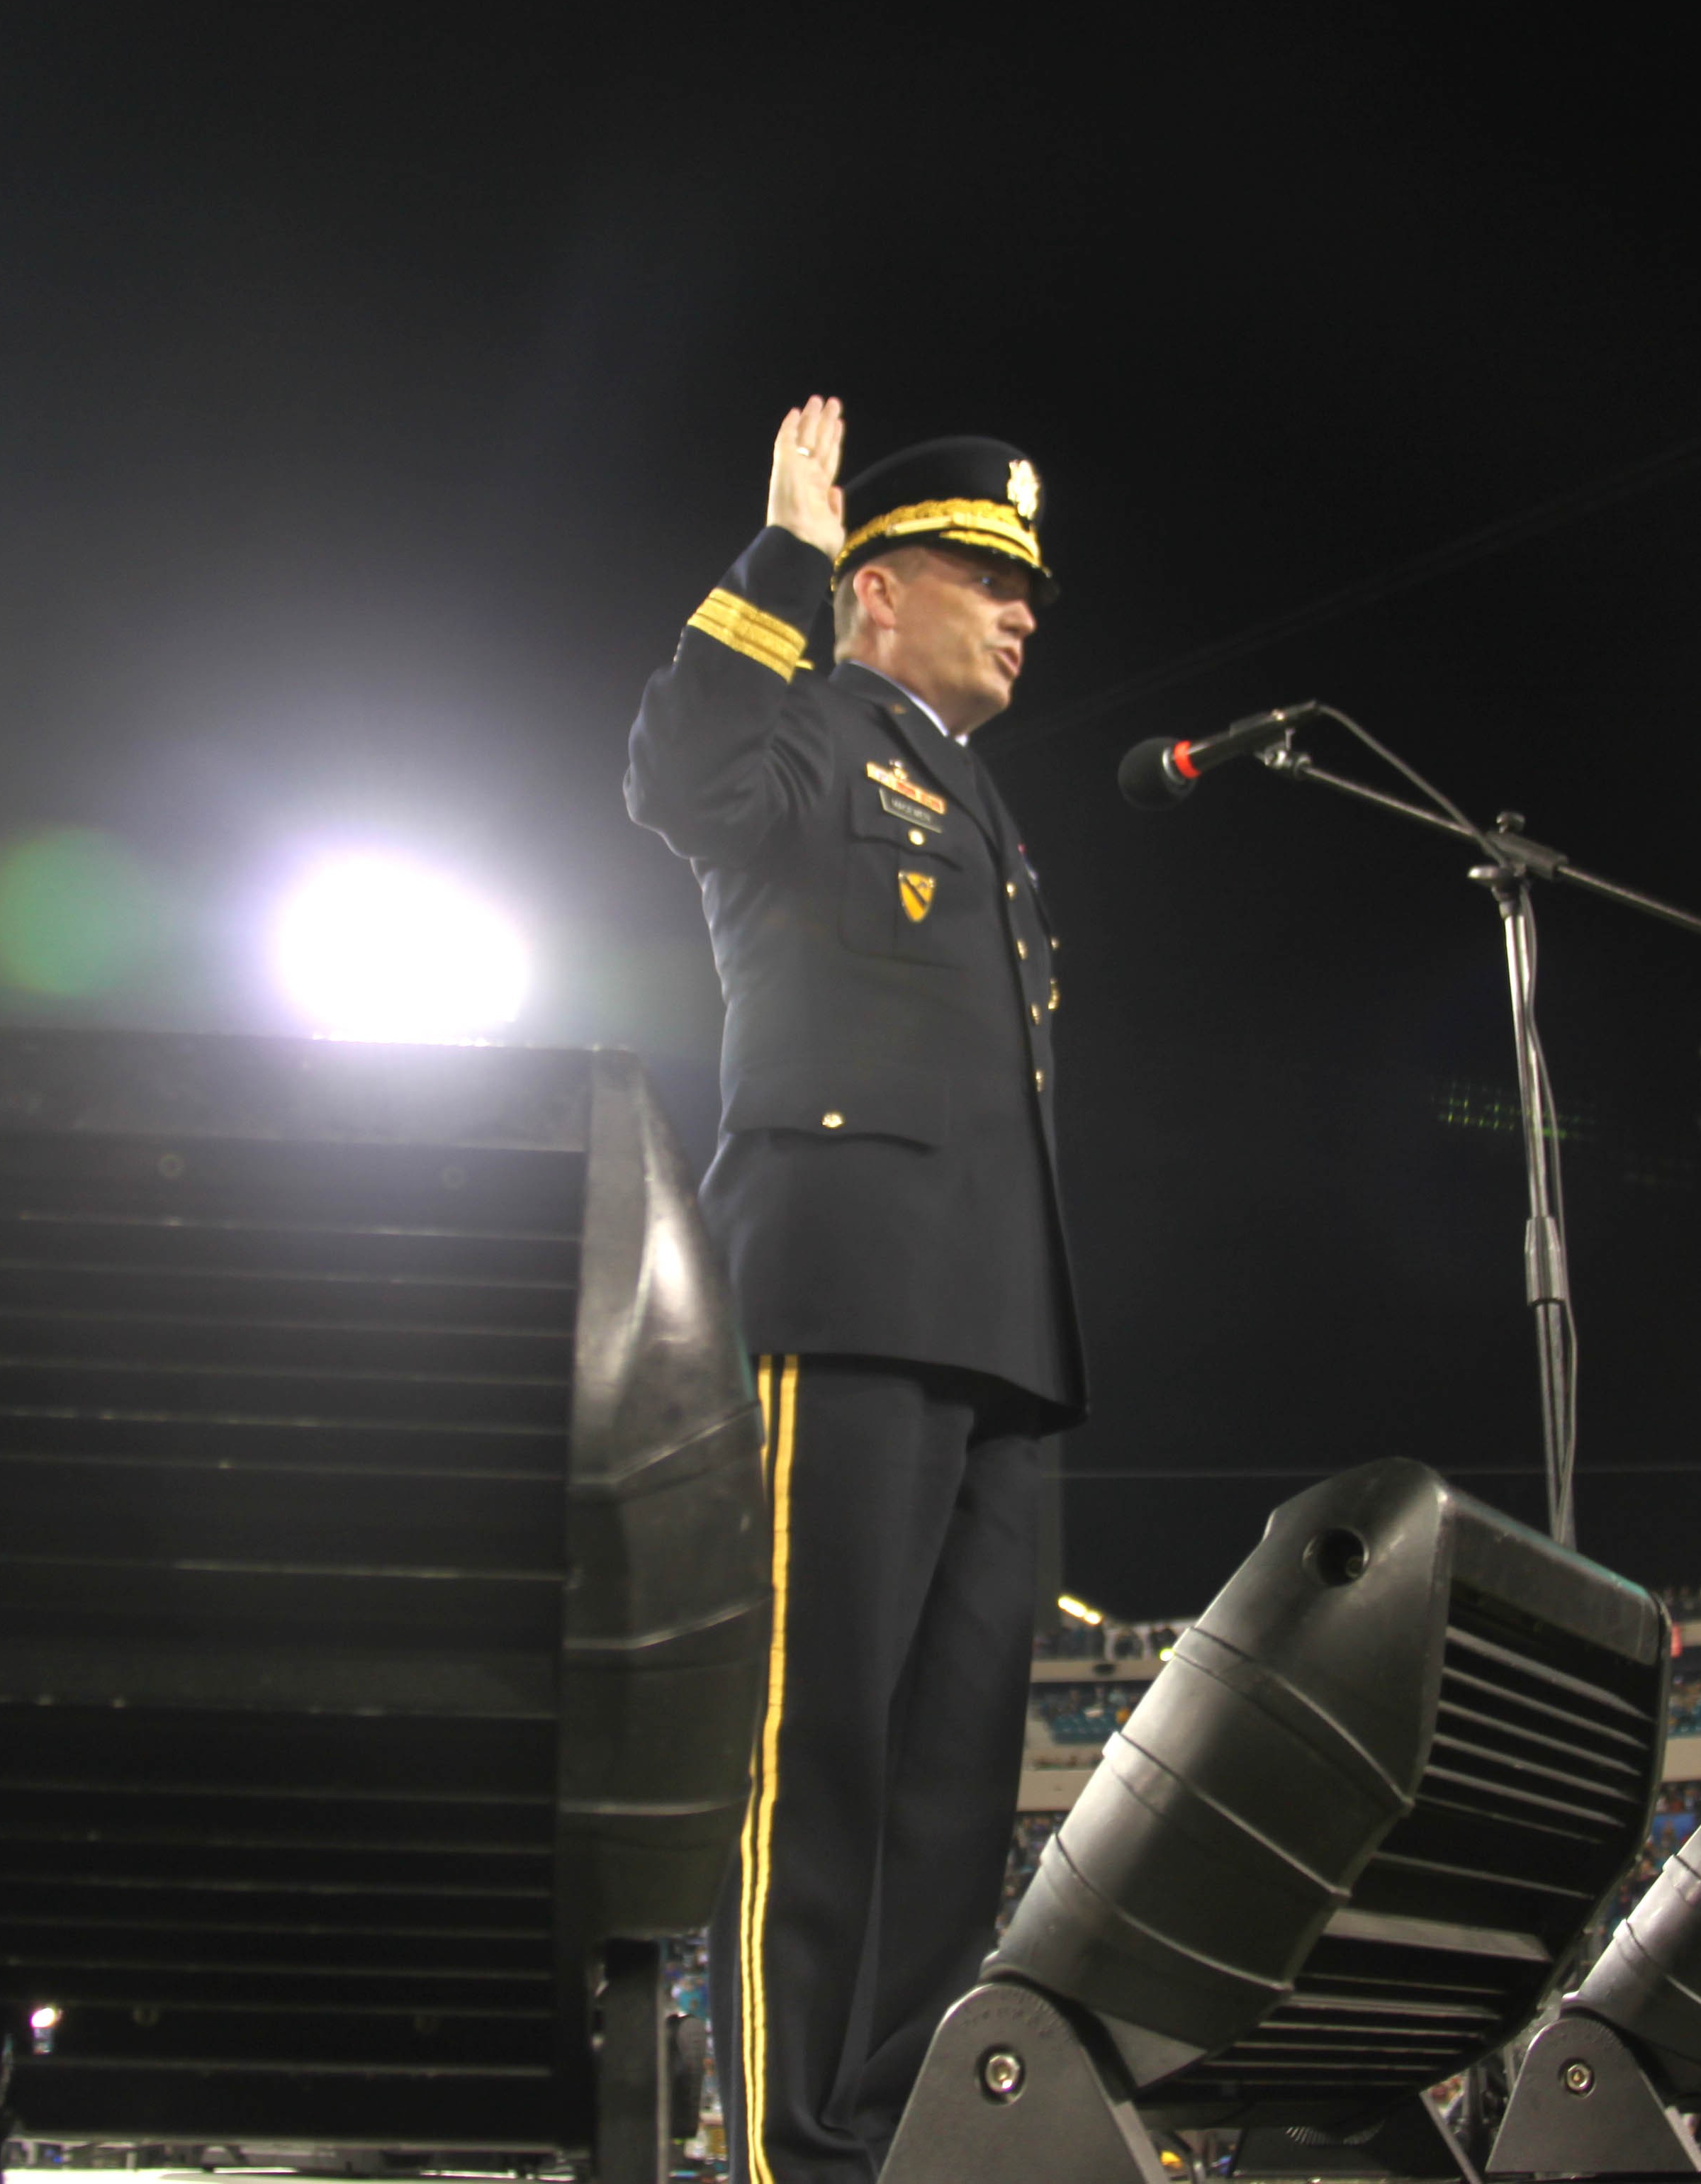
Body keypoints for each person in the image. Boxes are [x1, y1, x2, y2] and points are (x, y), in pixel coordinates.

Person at [624, 395, 1085, 2184]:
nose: (1023, 608)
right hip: (844, 1302)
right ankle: (790, 2155)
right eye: (986, 574)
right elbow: (675, 777)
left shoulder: (975, 799)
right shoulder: (812, 735)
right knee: (816, 1754)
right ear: (879, 594)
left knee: (954, 1789)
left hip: (998, 1334)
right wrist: (782, 555)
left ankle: (888, 2141)